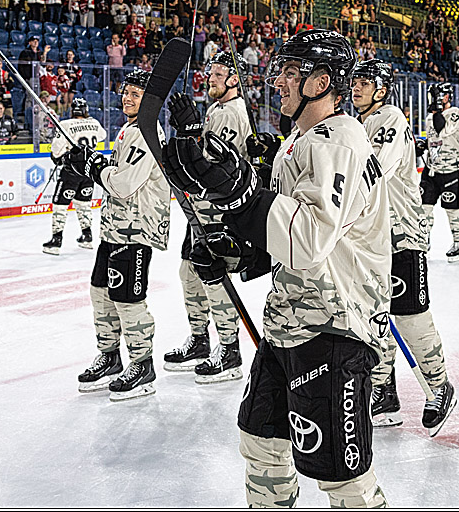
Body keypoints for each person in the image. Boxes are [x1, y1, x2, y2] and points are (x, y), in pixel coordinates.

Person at [160, 28, 390, 507]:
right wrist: (237, 250)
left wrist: (242, 196)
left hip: (333, 329)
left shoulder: (339, 142)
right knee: (262, 445)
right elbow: (282, 237)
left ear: (322, 81)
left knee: (341, 476)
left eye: (290, 72)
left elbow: (307, 238)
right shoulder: (299, 141)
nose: (278, 81)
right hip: (288, 326)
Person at [351, 59, 457, 436]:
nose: (356, 87)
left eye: (364, 82)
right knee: (377, 319)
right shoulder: (359, 125)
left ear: (381, 89)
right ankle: (384, 392)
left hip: (402, 234)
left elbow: (374, 169)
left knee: (411, 316)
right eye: (355, 81)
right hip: (372, 240)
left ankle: (440, 386)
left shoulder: (390, 117)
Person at [64, 70, 170, 401]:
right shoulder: (129, 130)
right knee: (100, 290)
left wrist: (94, 167)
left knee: (128, 298)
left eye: (135, 94)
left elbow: (124, 185)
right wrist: (92, 164)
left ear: (149, 101)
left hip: (136, 230)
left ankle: (142, 364)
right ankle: (109, 356)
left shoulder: (146, 133)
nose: (127, 98)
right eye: (126, 92)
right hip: (115, 228)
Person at [162, 51, 253, 381]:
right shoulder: (216, 108)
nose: (210, 78)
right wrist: (189, 131)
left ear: (233, 79)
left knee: (215, 278)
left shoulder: (233, 112)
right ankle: (200, 340)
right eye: (210, 73)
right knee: (189, 274)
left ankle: (230, 350)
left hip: (219, 213)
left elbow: (213, 165)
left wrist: (192, 133)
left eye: (217, 74)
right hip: (200, 210)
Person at [43, 98, 107, 254]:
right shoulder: (95, 124)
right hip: (88, 172)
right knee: (83, 204)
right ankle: (87, 236)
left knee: (60, 204)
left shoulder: (65, 125)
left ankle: (56, 241)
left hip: (71, 171)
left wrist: (57, 157)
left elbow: (56, 151)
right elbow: (103, 135)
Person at [421, 82, 459, 261]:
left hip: (451, 170)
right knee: (423, 209)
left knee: (452, 209)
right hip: (431, 170)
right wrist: (422, 145)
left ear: (445, 97)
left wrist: (436, 110)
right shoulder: (429, 117)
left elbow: (443, 129)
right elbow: (434, 139)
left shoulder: (455, 113)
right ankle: (423, 240)